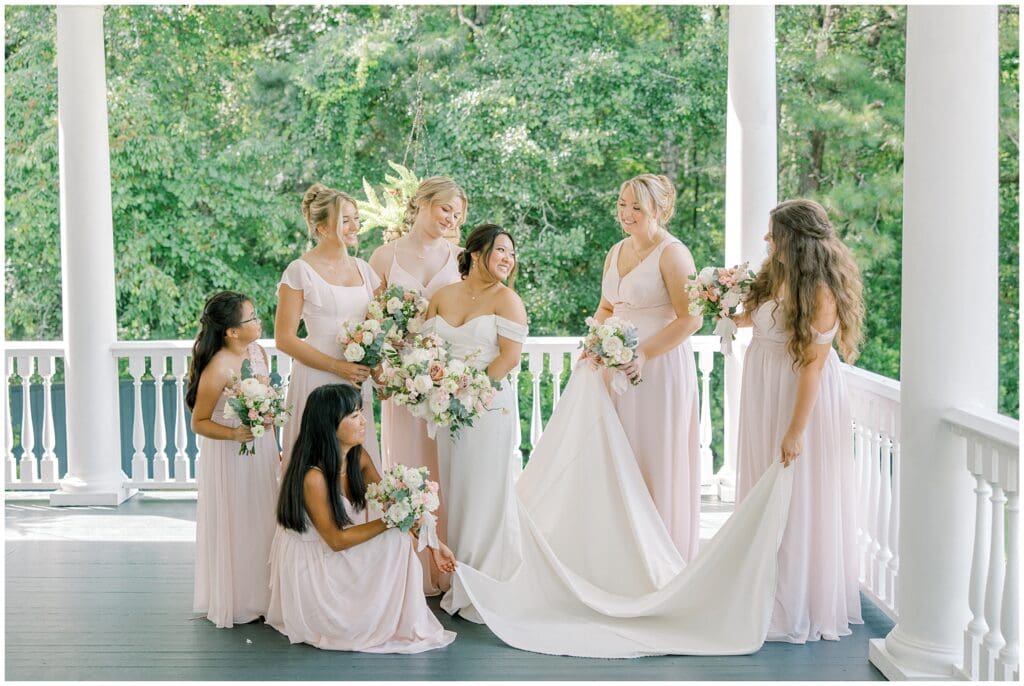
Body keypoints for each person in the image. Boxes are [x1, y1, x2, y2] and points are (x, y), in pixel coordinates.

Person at [733, 198, 865, 643]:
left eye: (774, 233)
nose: (767, 240)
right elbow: (755, 317)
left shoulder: (821, 289)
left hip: (799, 395)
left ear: (794, 237)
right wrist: (721, 301)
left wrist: (795, 430)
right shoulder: (778, 273)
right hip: (765, 387)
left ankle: (796, 600)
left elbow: (812, 365)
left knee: (798, 494)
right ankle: (762, 586)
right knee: (763, 487)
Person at [266, 383, 458, 653]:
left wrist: (436, 546)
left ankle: (392, 619)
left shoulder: (359, 457)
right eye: (354, 415)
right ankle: (363, 619)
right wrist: (389, 521)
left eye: (361, 412)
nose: (364, 420)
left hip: (335, 553)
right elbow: (336, 540)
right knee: (394, 536)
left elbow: (396, 505)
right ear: (329, 423)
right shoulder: (314, 476)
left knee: (398, 536)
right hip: (315, 567)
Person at [588, 174, 702, 560]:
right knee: (617, 455)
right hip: (613, 365)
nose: (627, 213)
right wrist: (595, 343)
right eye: (622, 204)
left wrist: (645, 354)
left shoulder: (673, 254)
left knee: (654, 455)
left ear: (659, 209)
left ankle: (660, 555)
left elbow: (691, 319)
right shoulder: (615, 250)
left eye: (637, 206)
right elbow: (606, 307)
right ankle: (620, 553)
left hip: (658, 368)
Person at [423, 223, 528, 623]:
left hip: (487, 407)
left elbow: (508, 358)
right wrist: (440, 391)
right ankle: (459, 576)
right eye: (501, 250)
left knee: (485, 493)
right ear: (476, 251)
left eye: (511, 253)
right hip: (447, 412)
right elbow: (426, 347)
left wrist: (468, 392)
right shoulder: (443, 296)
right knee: (457, 490)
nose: (507, 259)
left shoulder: (508, 300)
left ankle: (483, 583)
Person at [368, 176, 466, 596]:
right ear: (422, 203)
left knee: (448, 470)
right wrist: (382, 371)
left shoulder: (462, 257)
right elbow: (369, 320)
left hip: (446, 382)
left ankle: (448, 565)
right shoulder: (384, 256)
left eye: (457, 213)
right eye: (445, 208)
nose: (451, 218)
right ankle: (410, 570)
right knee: (406, 466)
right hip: (401, 382)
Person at [187, 291, 279, 628]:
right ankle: (242, 598)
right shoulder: (218, 368)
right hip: (231, 454)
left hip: (263, 450)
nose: (258, 321)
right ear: (231, 331)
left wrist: (273, 438)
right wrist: (235, 434)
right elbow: (199, 422)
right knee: (240, 519)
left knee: (266, 516)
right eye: (251, 318)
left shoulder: (258, 353)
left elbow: (266, 402)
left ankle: (269, 595)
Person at [276, 183, 381, 470]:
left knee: (356, 461)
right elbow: (284, 339)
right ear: (322, 228)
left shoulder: (364, 269)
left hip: (356, 379)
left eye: (356, 218)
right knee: (318, 460)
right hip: (316, 377)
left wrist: (379, 370)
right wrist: (336, 367)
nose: (354, 226)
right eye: (344, 220)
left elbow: (382, 326)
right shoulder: (299, 271)